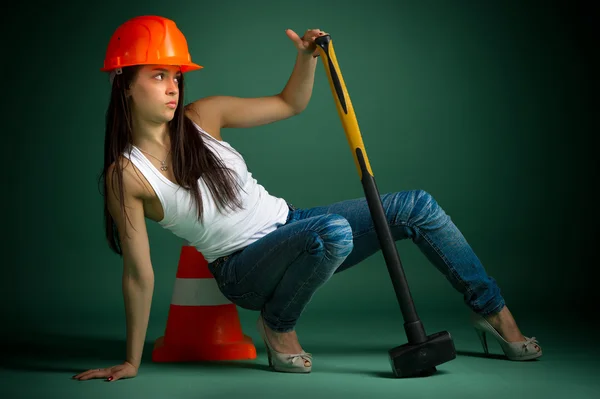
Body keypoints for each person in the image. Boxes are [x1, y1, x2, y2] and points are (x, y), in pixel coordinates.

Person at [74, 15, 541, 382]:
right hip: (242, 268)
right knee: (330, 233)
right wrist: (131, 360)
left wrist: (306, 59)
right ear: (124, 83)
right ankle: (278, 325)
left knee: (416, 205)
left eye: (175, 75)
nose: (173, 86)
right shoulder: (126, 176)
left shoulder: (203, 116)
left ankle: (494, 316)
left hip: (293, 225)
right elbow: (139, 276)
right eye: (158, 76)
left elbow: (289, 104)